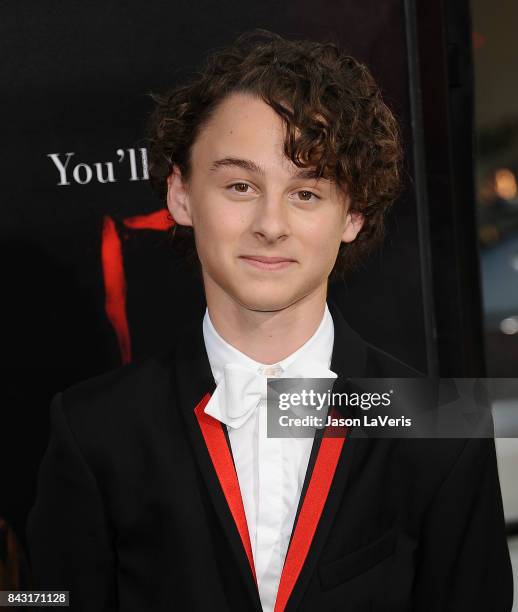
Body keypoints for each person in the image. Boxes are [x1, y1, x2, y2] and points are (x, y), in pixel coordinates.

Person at [26, 30, 513, 611]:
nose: (270, 223)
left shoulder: (443, 422)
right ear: (180, 195)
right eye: (239, 185)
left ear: (352, 213)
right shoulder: (92, 427)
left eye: (306, 192)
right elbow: (45, 599)